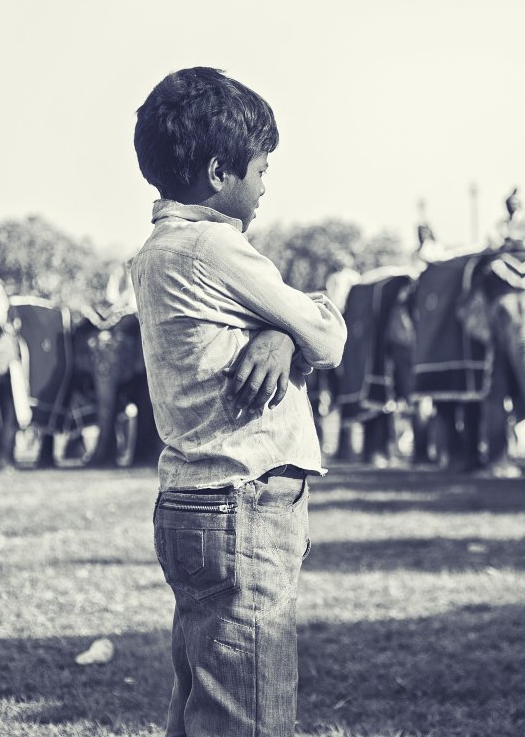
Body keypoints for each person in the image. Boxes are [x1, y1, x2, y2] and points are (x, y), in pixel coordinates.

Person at [130, 67, 347, 737]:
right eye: (261, 169)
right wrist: (294, 331)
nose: (265, 187)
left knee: (204, 701)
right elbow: (329, 334)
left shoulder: (156, 250)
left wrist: (279, 337)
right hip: (243, 502)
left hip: (194, 501)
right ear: (220, 172)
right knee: (249, 711)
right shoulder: (214, 246)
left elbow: (291, 332)